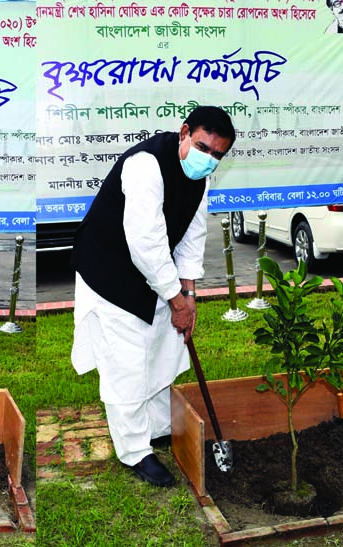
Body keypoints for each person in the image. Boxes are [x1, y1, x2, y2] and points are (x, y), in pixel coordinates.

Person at [70, 106, 236, 487]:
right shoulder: (146, 165)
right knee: (126, 362)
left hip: (155, 275)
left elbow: (193, 236)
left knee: (163, 348)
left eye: (217, 155)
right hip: (110, 272)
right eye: (202, 147)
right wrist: (176, 298)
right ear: (184, 133)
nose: (208, 160)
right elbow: (146, 242)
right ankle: (134, 450)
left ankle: (157, 426)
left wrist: (189, 292)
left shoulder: (202, 176)